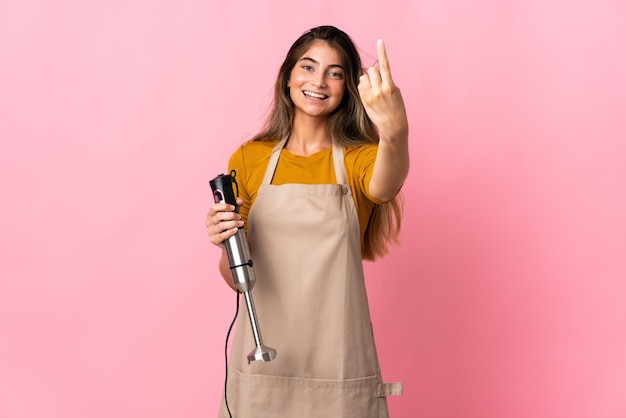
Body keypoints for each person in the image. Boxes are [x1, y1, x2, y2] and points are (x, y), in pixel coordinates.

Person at [206, 25, 409, 418]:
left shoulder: (358, 159)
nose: (319, 81)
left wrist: (395, 130)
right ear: (287, 77)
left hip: (339, 362)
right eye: (308, 66)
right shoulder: (249, 159)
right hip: (264, 359)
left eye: (335, 73)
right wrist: (224, 242)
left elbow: (385, 185)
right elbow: (236, 277)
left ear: (348, 86)